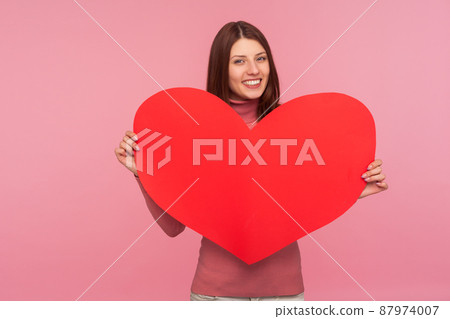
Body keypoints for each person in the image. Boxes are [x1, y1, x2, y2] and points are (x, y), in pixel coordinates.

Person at [114, 21, 388, 301]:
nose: (254, 70)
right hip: (215, 298)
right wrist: (142, 173)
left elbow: (301, 202)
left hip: (285, 296)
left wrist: (352, 189)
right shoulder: (193, 133)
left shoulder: (297, 129)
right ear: (222, 68)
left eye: (260, 58)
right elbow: (173, 227)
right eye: (239, 61)